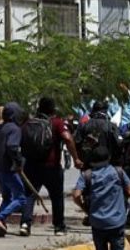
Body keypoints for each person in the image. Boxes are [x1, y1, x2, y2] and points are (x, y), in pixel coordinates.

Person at [18, 97, 82, 236]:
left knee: (29, 195)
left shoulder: (28, 123)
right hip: (51, 167)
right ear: (53, 109)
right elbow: (68, 138)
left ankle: (25, 224)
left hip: (31, 166)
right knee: (57, 197)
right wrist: (76, 158)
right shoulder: (57, 123)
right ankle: (59, 227)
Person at [0, 103, 27, 236]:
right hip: (8, 169)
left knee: (7, 197)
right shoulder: (14, 129)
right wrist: (18, 162)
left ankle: (0, 221)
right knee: (21, 198)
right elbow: (12, 147)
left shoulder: (0, 128)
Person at [74, 100, 121, 170]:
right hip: (108, 165)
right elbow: (117, 145)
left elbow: (77, 143)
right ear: (105, 111)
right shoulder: (111, 126)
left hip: (89, 165)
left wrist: (79, 159)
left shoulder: (84, 125)